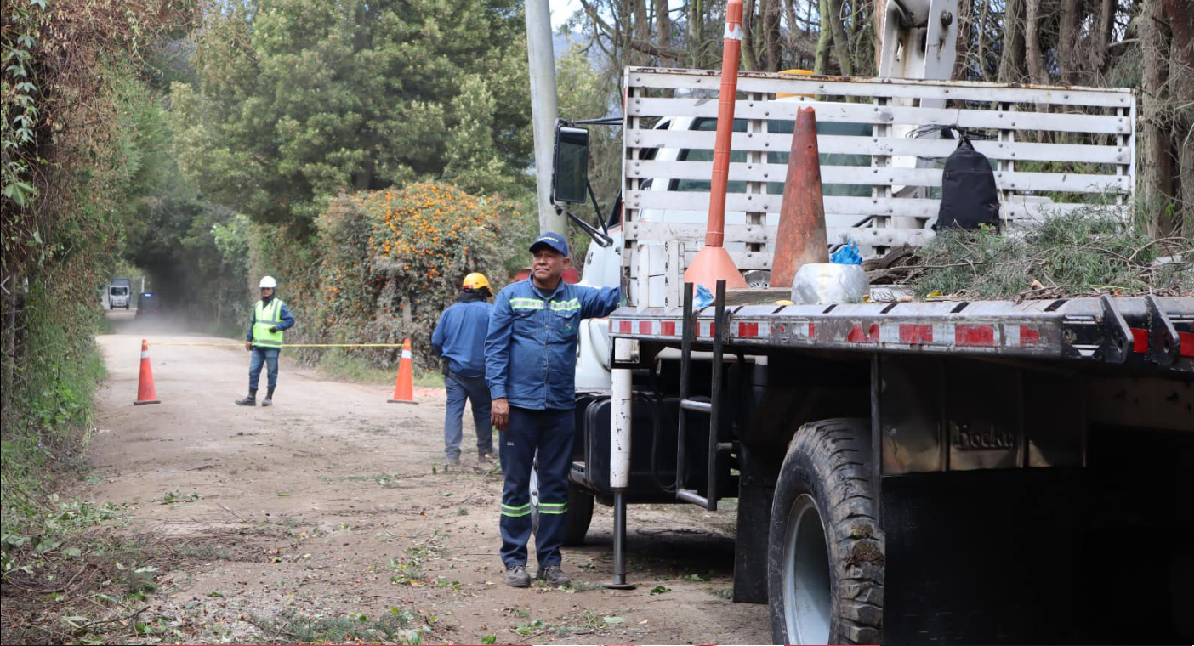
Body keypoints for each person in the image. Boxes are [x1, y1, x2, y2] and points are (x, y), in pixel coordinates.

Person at [485, 232, 621, 588]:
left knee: (555, 489)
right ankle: (515, 561)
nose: (541, 261)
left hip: (559, 408)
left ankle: (550, 561)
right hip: (518, 409)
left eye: (550, 256)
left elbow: (614, 298)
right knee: (516, 488)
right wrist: (498, 397)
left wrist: (636, 269)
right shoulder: (510, 297)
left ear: (565, 263)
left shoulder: (576, 298)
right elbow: (495, 349)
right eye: (537, 255)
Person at [431, 273, 495, 467]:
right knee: (483, 412)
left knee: (453, 411)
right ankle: (485, 453)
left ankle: (452, 456)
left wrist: (445, 357)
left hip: (454, 373)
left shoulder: (450, 312)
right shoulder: (491, 311)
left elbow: (436, 341)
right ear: (484, 292)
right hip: (482, 373)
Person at [235, 276, 295, 407]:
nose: (265, 291)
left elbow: (290, 320)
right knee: (253, 371)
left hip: (272, 346)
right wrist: (249, 339)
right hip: (258, 346)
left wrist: (278, 327)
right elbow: (254, 324)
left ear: (273, 290)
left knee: (271, 372)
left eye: (268, 289)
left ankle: (268, 397)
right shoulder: (258, 305)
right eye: (263, 289)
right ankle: (251, 397)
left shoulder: (280, 305)